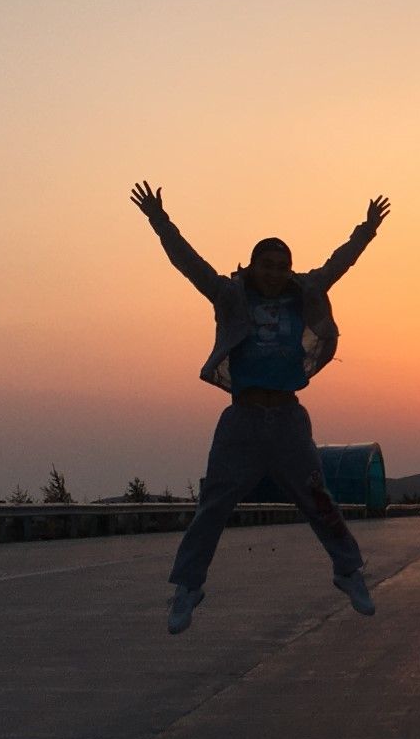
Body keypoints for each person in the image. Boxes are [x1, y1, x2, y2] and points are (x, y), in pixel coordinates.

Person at [129, 180, 390, 633]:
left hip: (288, 418)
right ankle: (188, 587)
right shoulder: (231, 296)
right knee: (213, 504)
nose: (275, 273)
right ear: (252, 266)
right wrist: (159, 221)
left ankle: (348, 572)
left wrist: (365, 231)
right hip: (243, 420)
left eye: (282, 266)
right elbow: (189, 265)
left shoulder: (302, 293)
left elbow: (338, 264)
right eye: (267, 265)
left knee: (318, 498)